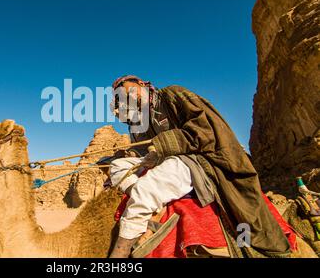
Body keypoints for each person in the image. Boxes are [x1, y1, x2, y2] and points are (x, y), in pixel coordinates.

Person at [108, 75, 292, 258]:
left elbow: (206, 129)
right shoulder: (139, 122)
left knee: (146, 188)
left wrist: (165, 144)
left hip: (198, 158)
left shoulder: (173, 95)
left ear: (141, 84)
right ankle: (153, 206)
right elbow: (143, 151)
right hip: (164, 161)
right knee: (117, 166)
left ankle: (121, 251)